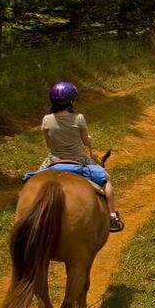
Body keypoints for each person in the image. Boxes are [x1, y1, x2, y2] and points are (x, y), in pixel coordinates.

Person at [41, 82, 124, 232]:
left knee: (33, 180)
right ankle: (112, 216)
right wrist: (89, 139)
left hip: (54, 161)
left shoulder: (46, 119)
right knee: (106, 179)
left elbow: (49, 143)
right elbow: (86, 141)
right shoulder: (78, 118)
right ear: (72, 101)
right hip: (78, 161)